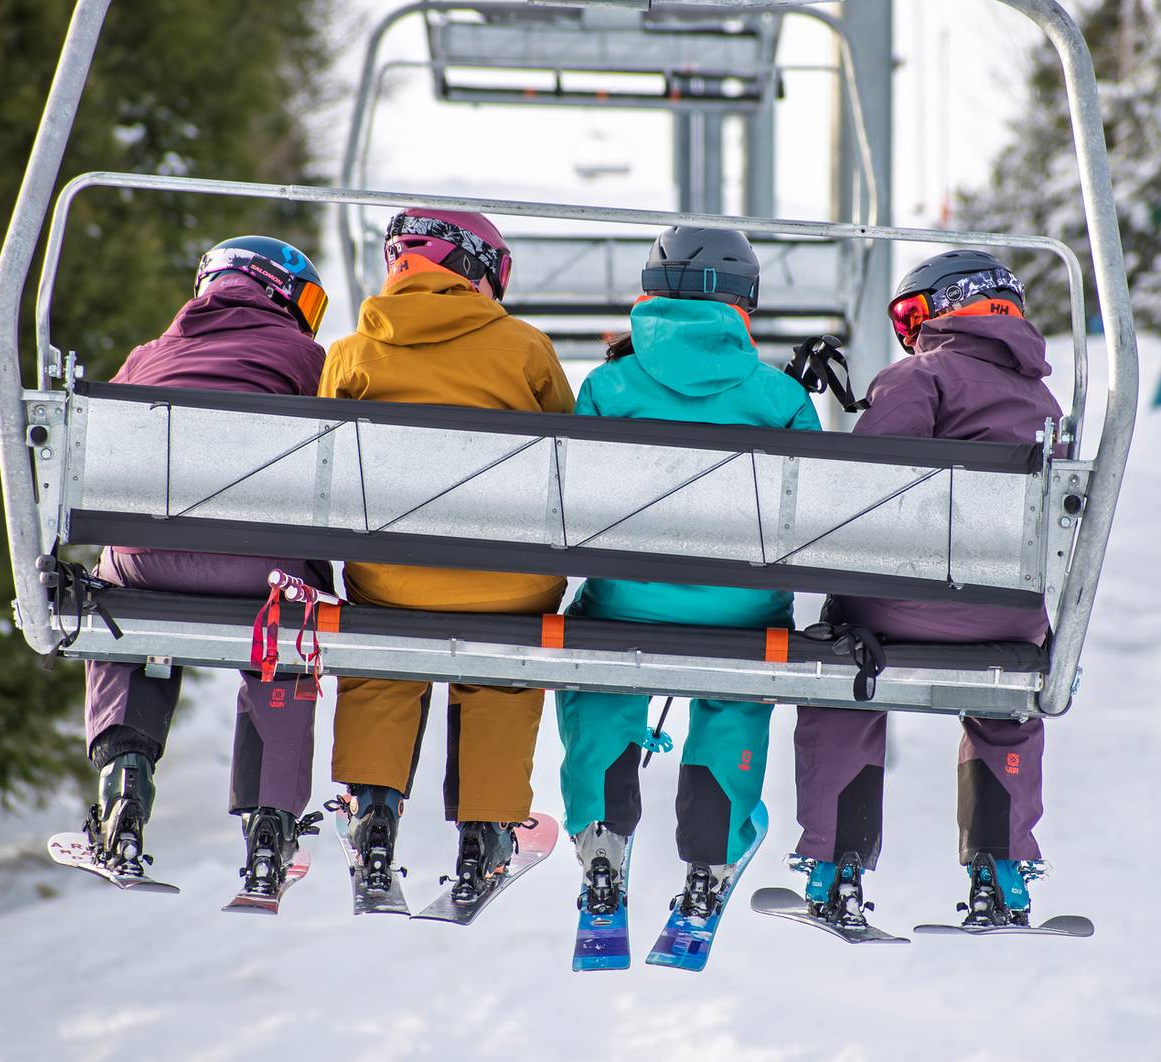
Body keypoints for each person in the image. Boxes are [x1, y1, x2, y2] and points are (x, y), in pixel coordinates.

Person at [791, 249, 1064, 929]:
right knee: (1004, 703)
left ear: (943, 308)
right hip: (1008, 613)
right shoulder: (1046, 401)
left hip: (897, 608)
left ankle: (836, 868)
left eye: (912, 315)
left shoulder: (921, 375)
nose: (909, 331)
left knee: (842, 682)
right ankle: (1001, 873)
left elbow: (870, 488)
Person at [557, 227, 821, 920]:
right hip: (742, 615)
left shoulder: (609, 384)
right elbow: (818, 518)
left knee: (599, 659)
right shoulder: (781, 399)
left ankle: (601, 832)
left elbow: (572, 508)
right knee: (734, 697)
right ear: (745, 300)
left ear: (650, 290)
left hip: (627, 606)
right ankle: (711, 853)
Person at [319, 209, 574, 903]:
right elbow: (574, 460)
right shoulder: (525, 349)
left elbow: (317, 471)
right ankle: (487, 835)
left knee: (382, 651)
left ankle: (373, 815)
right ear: (478, 269)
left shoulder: (350, 354)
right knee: (500, 670)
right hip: (507, 587)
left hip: (391, 580)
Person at [80, 235, 333, 898]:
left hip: (148, 562)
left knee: (116, 610)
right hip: (263, 569)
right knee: (285, 626)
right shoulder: (304, 356)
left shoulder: (149, 356)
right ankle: (270, 824)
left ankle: (123, 784)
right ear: (281, 293)